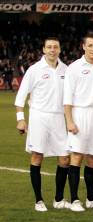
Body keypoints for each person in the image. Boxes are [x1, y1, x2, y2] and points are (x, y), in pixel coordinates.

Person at [15, 37, 70, 212]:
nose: (52, 50)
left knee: (64, 159)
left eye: (55, 47)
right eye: (49, 47)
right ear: (44, 49)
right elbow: (21, 95)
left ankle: (58, 199)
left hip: (59, 119)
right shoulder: (34, 70)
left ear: (60, 49)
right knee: (37, 157)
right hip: (39, 117)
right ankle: (39, 200)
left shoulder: (66, 70)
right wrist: (20, 118)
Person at [63, 32, 93, 212]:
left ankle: (90, 197)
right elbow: (67, 98)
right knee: (77, 157)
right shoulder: (74, 67)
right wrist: (70, 121)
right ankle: (74, 200)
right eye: (90, 45)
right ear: (83, 46)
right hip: (79, 114)